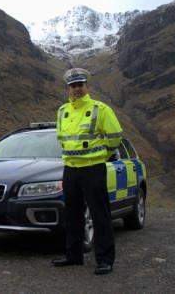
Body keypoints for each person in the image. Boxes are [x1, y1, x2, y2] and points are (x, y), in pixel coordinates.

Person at [51, 68, 123, 275]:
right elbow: (61, 138)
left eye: (80, 85)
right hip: (70, 169)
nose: (76, 89)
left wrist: (103, 155)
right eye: (73, 86)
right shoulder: (62, 111)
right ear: (68, 88)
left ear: (87, 86)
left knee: (100, 215)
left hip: (93, 168)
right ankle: (73, 256)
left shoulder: (101, 109)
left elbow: (115, 136)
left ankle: (105, 259)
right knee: (72, 215)